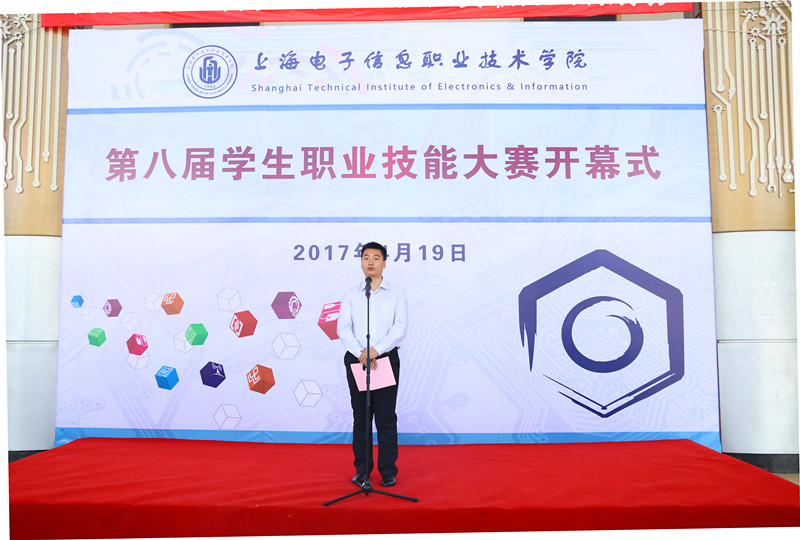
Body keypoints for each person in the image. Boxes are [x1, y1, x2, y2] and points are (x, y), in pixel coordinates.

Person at [337, 241, 407, 488]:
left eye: (376, 258)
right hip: (357, 359)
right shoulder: (351, 294)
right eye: (366, 257)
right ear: (361, 262)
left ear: (384, 263)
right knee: (362, 417)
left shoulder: (396, 293)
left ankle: (388, 471)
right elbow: (343, 327)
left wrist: (376, 350)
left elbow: (400, 327)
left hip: (385, 358)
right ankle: (362, 470)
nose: (370, 262)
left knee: (385, 417)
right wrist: (362, 353)